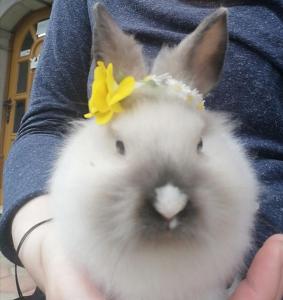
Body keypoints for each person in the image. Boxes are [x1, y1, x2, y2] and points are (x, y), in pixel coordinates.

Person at [0, 0, 282, 299]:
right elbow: (46, 123)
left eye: (198, 145)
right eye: (121, 145)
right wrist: (47, 246)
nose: (169, 204)